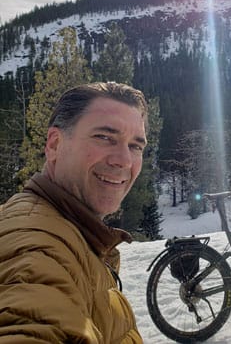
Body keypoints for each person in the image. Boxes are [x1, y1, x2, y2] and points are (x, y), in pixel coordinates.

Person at [0, 82, 148, 343]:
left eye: (135, 146)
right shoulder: (37, 248)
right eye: (104, 137)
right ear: (55, 144)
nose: (124, 160)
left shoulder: (70, 232)